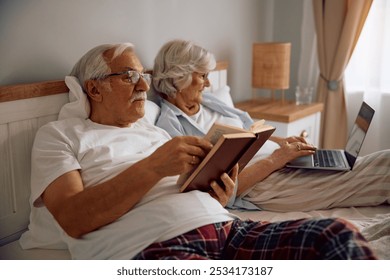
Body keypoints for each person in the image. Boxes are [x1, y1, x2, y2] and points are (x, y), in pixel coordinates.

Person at [20, 42, 377, 260]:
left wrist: (219, 193)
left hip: (228, 229)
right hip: (155, 249)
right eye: (129, 76)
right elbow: (73, 219)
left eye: (143, 74)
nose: (144, 84)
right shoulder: (60, 135)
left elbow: (188, 185)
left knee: (337, 233)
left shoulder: (150, 131)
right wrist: (153, 167)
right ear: (94, 90)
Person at [152, 39, 390, 212]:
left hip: (278, 162)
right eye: (202, 75)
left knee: (357, 166)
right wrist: (275, 159)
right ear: (178, 77)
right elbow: (210, 190)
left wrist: (282, 143)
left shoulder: (211, 101)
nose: (208, 83)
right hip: (260, 183)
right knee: (383, 165)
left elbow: (251, 130)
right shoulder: (170, 128)